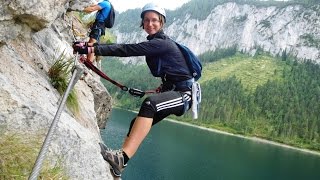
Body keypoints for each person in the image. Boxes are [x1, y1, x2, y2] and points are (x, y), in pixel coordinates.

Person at [73, 3, 195, 177]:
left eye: (154, 20)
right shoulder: (157, 43)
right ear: (142, 23)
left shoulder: (163, 44)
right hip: (174, 90)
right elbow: (174, 73)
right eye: (146, 20)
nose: (150, 24)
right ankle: (119, 162)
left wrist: (91, 47)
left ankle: (121, 159)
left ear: (161, 23)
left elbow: (127, 49)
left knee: (150, 105)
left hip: (185, 95)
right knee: (135, 123)